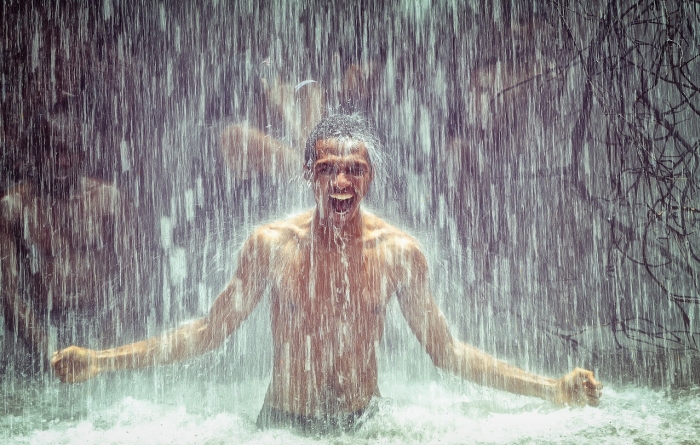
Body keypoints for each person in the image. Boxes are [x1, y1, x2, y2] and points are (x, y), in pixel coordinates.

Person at [51, 114, 602, 434]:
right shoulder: (271, 245)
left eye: (354, 169)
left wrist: (549, 388)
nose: (342, 181)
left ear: (370, 177)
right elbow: (205, 332)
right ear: (308, 175)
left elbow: (448, 351)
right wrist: (103, 360)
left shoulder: (398, 252)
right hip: (283, 429)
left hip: (367, 428)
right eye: (328, 169)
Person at [0, 103, 152, 369]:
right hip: (40, 329)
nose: (61, 160)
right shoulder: (14, 208)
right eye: (51, 150)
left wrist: (100, 355)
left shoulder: (109, 201)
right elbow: (8, 294)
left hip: (103, 324)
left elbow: (135, 284)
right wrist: (50, 354)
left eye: (68, 150)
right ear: (33, 152)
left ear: (82, 153)